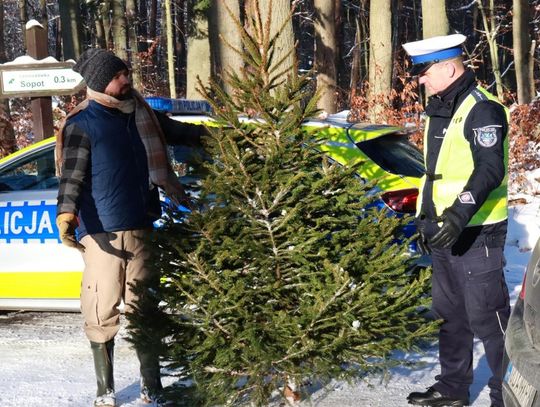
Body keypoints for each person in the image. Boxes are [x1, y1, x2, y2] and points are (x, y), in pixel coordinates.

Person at [55, 48, 205, 407]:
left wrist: (220, 138)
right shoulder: (82, 123)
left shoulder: (141, 114)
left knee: (144, 308)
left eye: (126, 72)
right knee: (100, 307)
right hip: (102, 234)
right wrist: (66, 215)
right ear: (101, 81)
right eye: (120, 74)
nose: (127, 79)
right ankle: (105, 390)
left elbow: (178, 133)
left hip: (141, 225)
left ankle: (151, 386)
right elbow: (71, 177)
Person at [402, 34, 510, 407]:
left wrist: (459, 213)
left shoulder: (483, 110)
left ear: (448, 68)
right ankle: (452, 388)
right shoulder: (440, 106)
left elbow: (490, 169)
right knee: (449, 318)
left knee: (490, 322)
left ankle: (507, 393)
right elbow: (435, 172)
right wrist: (426, 219)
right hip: (443, 231)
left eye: (425, 71)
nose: (421, 79)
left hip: (478, 232)